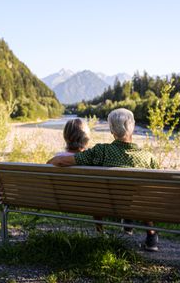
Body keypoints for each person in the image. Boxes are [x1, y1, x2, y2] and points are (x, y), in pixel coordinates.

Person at [47, 108, 160, 251]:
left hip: (107, 203)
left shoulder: (101, 151)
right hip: (136, 205)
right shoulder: (149, 158)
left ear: (112, 130)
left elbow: (61, 161)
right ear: (132, 128)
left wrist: (53, 160)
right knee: (144, 195)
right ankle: (151, 236)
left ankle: (126, 223)